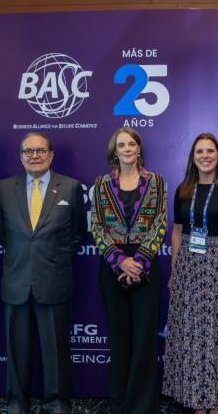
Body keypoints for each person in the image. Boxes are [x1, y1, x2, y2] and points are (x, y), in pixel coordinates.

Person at [0, 132, 86, 414]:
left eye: (41, 150)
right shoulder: (5, 188)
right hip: (16, 281)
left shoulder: (70, 187)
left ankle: (57, 404)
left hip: (54, 281)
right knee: (16, 352)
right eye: (28, 151)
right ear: (21, 156)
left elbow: (78, 234)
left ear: (51, 155)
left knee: (56, 352)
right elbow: (1, 234)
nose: (35, 155)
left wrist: (55, 258)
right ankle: (16, 404)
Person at [162, 133, 218, 414]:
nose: (205, 156)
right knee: (191, 333)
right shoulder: (183, 189)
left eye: (210, 151)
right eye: (200, 151)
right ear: (193, 157)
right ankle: (195, 399)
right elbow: (177, 232)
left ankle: (217, 402)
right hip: (189, 268)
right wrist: (175, 270)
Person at [91, 127, 167, 414]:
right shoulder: (101, 184)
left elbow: (160, 223)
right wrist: (120, 261)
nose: (127, 149)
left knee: (145, 338)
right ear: (115, 150)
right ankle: (119, 404)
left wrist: (139, 262)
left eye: (131, 144)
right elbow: (97, 226)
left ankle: (143, 406)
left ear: (139, 148)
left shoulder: (156, 182)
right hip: (113, 266)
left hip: (145, 265)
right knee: (119, 336)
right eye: (121, 145)